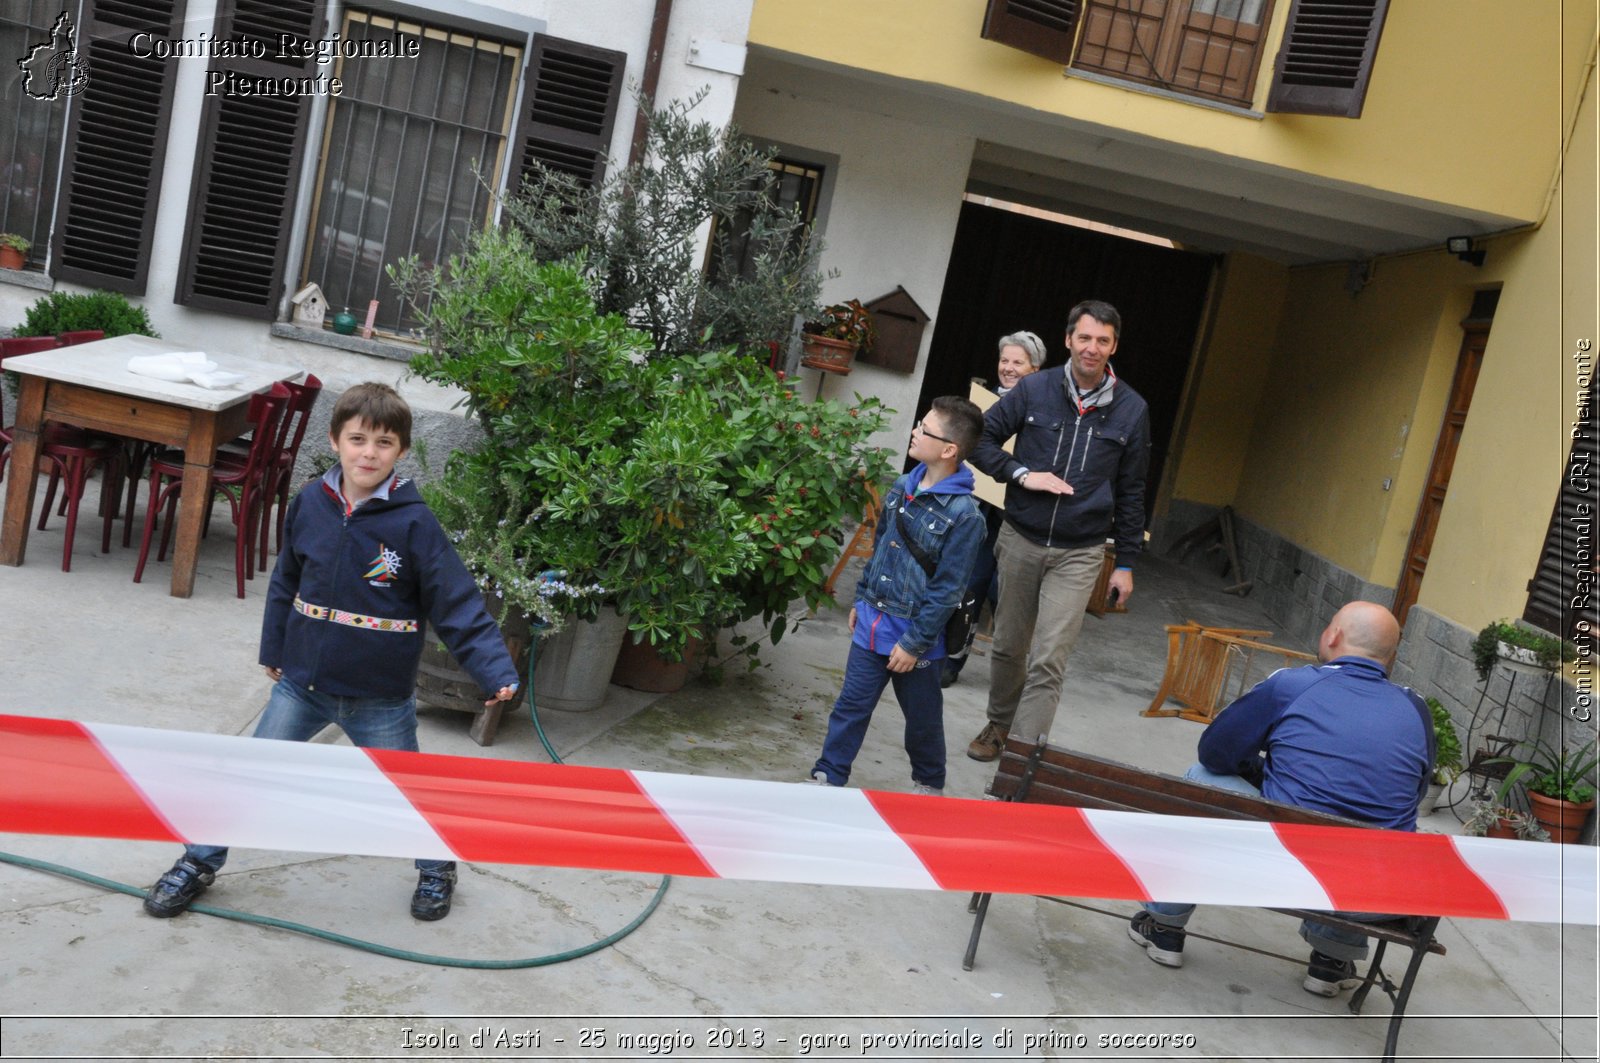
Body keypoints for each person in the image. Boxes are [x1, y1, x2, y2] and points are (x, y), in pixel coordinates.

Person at [143, 383, 520, 922]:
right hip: (302, 686)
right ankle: (198, 861)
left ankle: (437, 866)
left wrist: (493, 669)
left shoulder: (414, 524)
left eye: (384, 443)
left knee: (407, 791)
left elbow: (456, 602)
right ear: (335, 440)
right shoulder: (309, 505)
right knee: (250, 774)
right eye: (358, 439)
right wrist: (275, 646)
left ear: (402, 451)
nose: (369, 453)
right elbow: (285, 582)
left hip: (380, 699)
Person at [1126, 601, 1435, 996]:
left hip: (1283, 869)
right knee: (1355, 827)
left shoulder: (1293, 684)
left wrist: (1263, 770)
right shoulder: (1415, 708)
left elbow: (1216, 753)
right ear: (1389, 657)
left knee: (1200, 778)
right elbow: (1415, 793)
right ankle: (1331, 959)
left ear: (1333, 636)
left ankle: (1164, 926)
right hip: (1372, 894)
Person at [965, 300, 1150, 761]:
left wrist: (1125, 563)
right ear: (1068, 339)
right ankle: (999, 724)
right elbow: (979, 441)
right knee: (1009, 647)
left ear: (1114, 347)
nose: (1092, 348)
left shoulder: (1132, 410)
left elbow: (1132, 491)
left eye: (1102, 341)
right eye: (1084, 338)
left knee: (1049, 658)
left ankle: (1023, 752)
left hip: (1080, 551)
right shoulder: (1034, 390)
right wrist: (1022, 474)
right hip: (1021, 538)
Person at [810, 396, 987, 794]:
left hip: (917, 640)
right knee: (850, 708)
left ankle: (928, 785)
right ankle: (828, 776)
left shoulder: (965, 516)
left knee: (922, 721)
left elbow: (947, 590)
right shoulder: (900, 488)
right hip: (873, 621)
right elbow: (880, 548)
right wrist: (861, 598)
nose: (914, 431)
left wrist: (914, 643)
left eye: (924, 428)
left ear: (948, 450)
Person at [942, 330, 1047, 688]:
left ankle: (1013, 674)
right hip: (977, 511)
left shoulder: (1044, 411)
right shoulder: (983, 405)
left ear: (1035, 369)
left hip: (1017, 517)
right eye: (1005, 360)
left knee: (1008, 597)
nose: (1009, 368)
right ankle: (950, 661)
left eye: (1018, 362)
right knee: (968, 587)